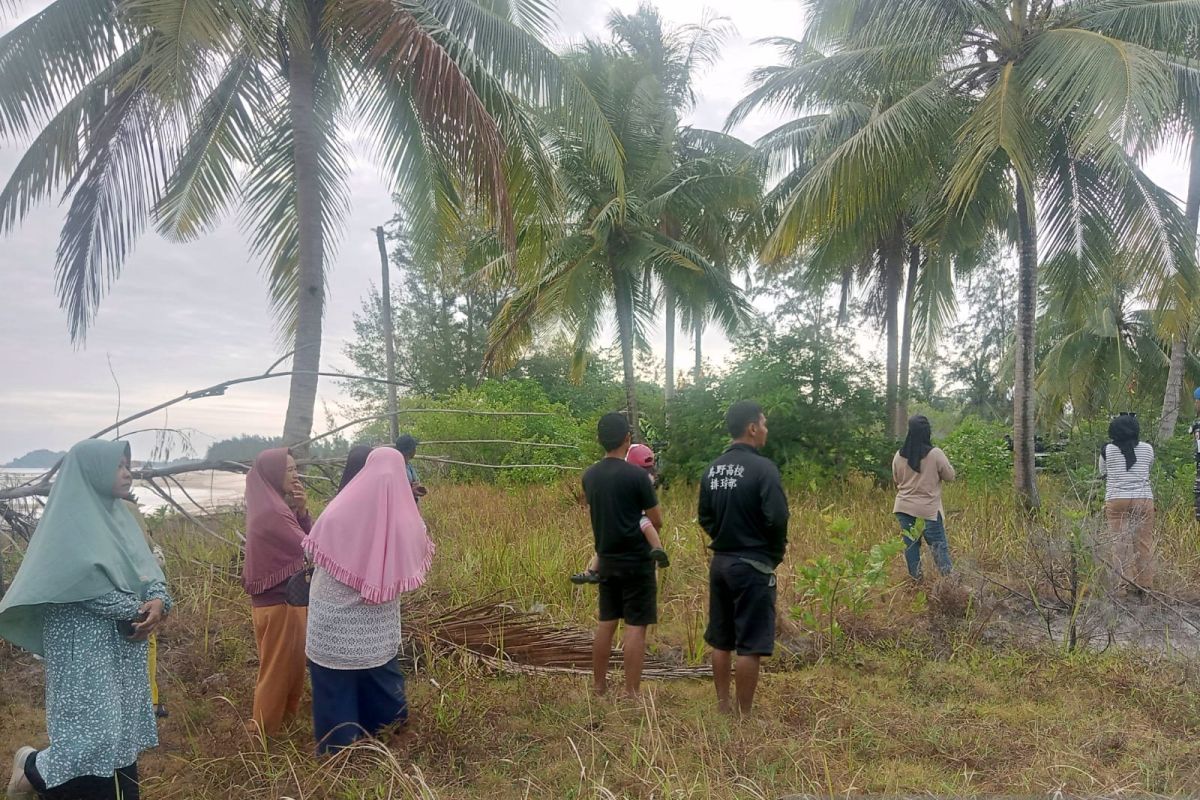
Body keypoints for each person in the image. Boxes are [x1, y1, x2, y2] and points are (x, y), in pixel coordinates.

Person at [1, 440, 171, 800]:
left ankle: (117, 790)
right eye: (118, 465)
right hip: (82, 646)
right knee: (92, 734)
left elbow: (148, 570)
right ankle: (32, 770)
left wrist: (158, 598)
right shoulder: (68, 521)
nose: (127, 472)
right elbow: (88, 587)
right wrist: (143, 610)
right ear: (92, 471)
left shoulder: (120, 516)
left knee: (121, 727)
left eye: (128, 464)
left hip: (123, 645)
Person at [303, 447, 434, 755]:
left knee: (335, 691)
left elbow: (311, 552)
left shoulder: (337, 511)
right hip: (375, 629)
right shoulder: (409, 521)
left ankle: (340, 755)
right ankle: (385, 741)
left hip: (331, 626)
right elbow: (419, 556)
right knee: (382, 688)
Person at [698, 401, 789, 717]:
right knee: (750, 644)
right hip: (753, 566)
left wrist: (724, 536)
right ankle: (744, 716)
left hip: (720, 563)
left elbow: (705, 517)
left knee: (721, 640)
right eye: (763, 423)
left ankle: (724, 707)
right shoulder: (764, 469)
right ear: (752, 428)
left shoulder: (713, 469)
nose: (766, 429)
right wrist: (772, 553)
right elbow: (777, 518)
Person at [583, 413, 663, 697]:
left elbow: (597, 513)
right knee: (635, 626)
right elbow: (656, 519)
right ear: (627, 439)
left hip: (607, 557)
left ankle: (599, 686)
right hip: (637, 561)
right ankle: (631, 692)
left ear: (600, 440)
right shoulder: (636, 476)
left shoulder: (590, 476)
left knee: (606, 623)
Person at [242, 447, 312, 737]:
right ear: (273, 473)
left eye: (296, 469)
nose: (296, 476)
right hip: (279, 603)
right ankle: (263, 737)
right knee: (276, 673)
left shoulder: (273, 505)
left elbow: (303, 541)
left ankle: (281, 728)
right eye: (290, 470)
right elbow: (310, 546)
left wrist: (302, 511)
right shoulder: (273, 512)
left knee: (291, 668)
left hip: (281, 602)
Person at [571, 443, 668, 584]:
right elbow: (657, 521)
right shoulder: (647, 477)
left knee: (603, 549)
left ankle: (591, 571)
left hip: (616, 537)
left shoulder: (621, 476)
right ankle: (658, 549)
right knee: (647, 527)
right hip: (639, 544)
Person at [892, 415, 956, 581]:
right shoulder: (935, 454)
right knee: (938, 546)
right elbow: (950, 476)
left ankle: (916, 581)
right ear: (927, 432)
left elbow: (896, 479)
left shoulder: (899, 456)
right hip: (928, 510)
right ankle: (949, 583)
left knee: (911, 546)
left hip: (904, 508)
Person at [1099, 414, 1155, 597]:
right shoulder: (1147, 448)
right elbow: (1148, 468)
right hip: (1143, 498)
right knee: (1144, 543)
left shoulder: (1107, 450)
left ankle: (1122, 587)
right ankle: (1145, 587)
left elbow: (1103, 473)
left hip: (1116, 500)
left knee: (1119, 543)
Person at [123, 498, 169, 719]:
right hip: (137, 589)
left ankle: (144, 704)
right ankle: (149, 703)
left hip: (133, 591)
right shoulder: (127, 507)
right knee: (144, 642)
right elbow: (149, 549)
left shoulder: (98, 505)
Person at [394, 435, 428, 501]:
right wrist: (411, 491)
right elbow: (397, 491)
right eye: (414, 448)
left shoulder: (409, 465)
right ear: (410, 450)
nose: (415, 450)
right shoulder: (397, 468)